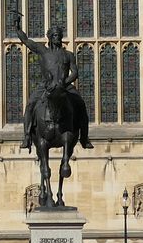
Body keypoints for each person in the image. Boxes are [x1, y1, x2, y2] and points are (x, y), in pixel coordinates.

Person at [13, 20, 93, 150]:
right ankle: (27, 136)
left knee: (81, 105)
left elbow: (75, 73)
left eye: (60, 35)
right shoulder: (43, 51)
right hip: (46, 86)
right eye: (55, 35)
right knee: (30, 105)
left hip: (65, 86)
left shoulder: (68, 55)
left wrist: (65, 82)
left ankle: (84, 138)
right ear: (50, 37)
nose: (58, 38)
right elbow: (27, 41)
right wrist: (18, 29)